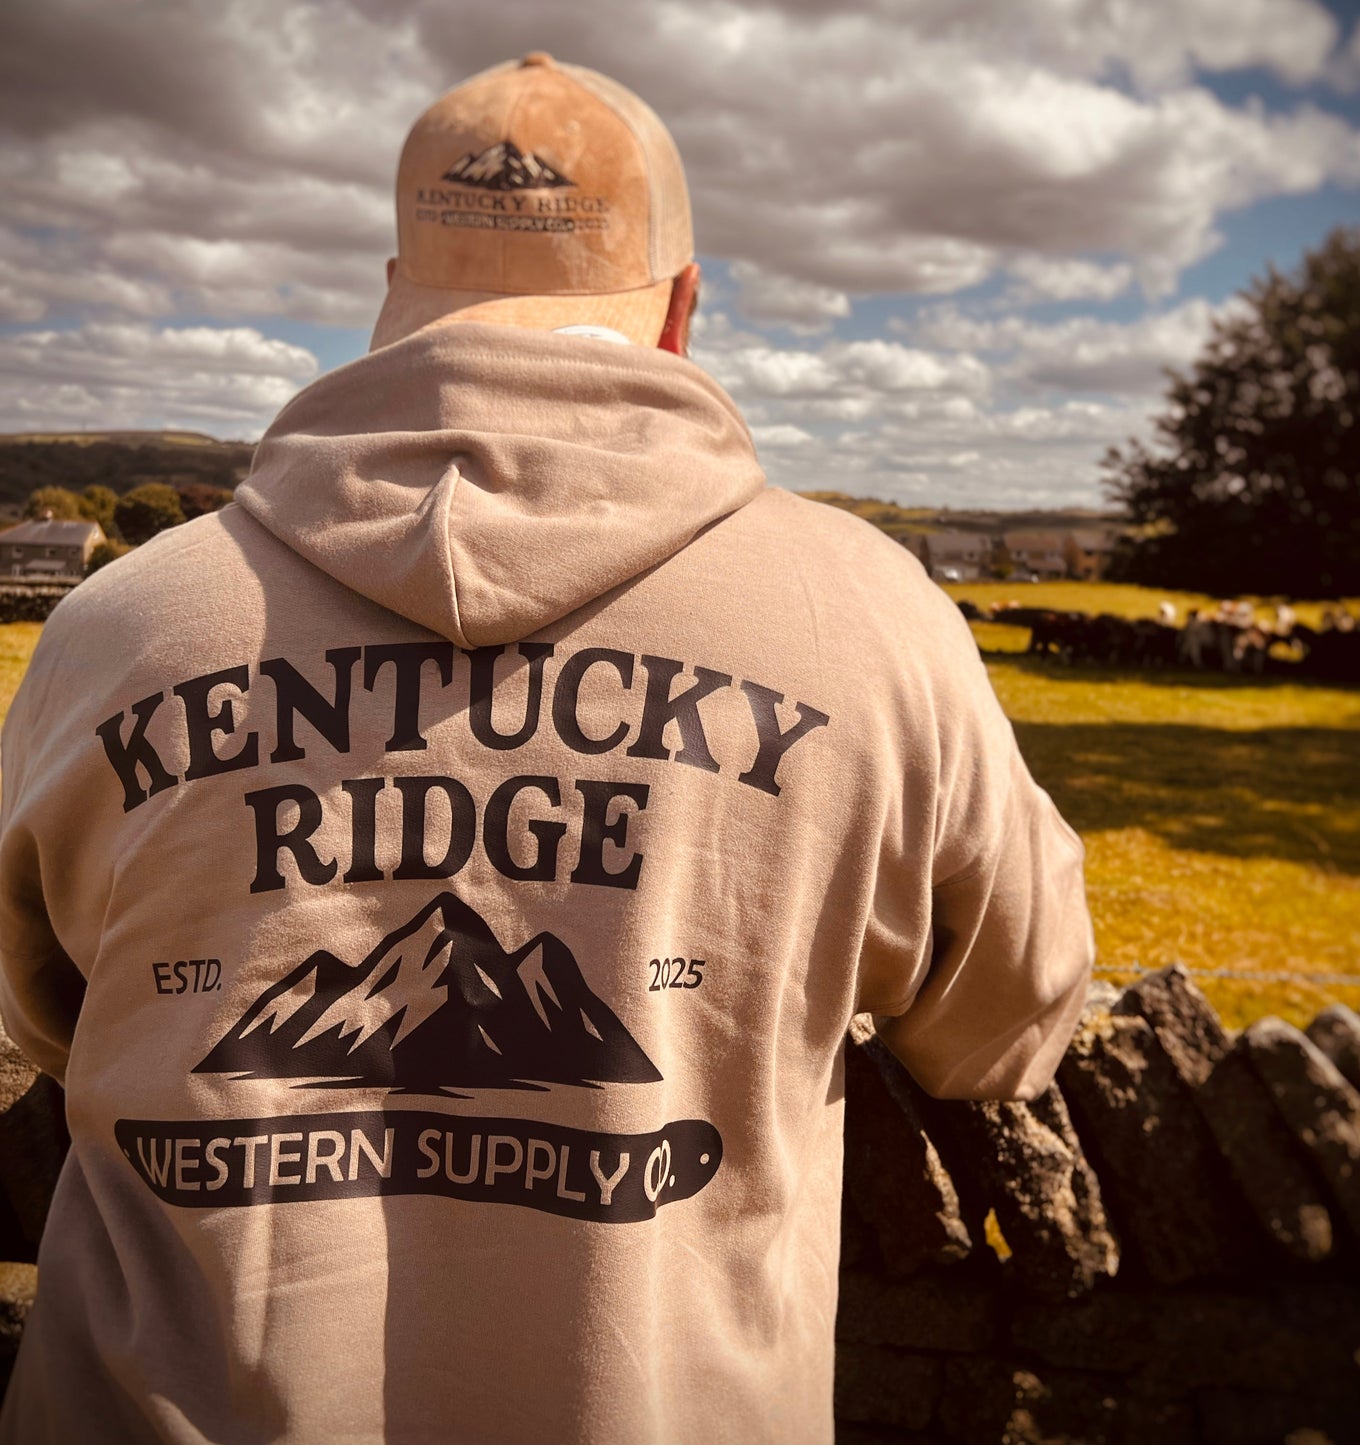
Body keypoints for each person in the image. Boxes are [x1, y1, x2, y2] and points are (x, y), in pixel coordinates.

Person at [0, 54, 1092, 1443]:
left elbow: (53, 1015)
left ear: (395, 289)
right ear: (682, 305)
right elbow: (1007, 1021)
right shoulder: (873, 622)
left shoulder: (118, 626)